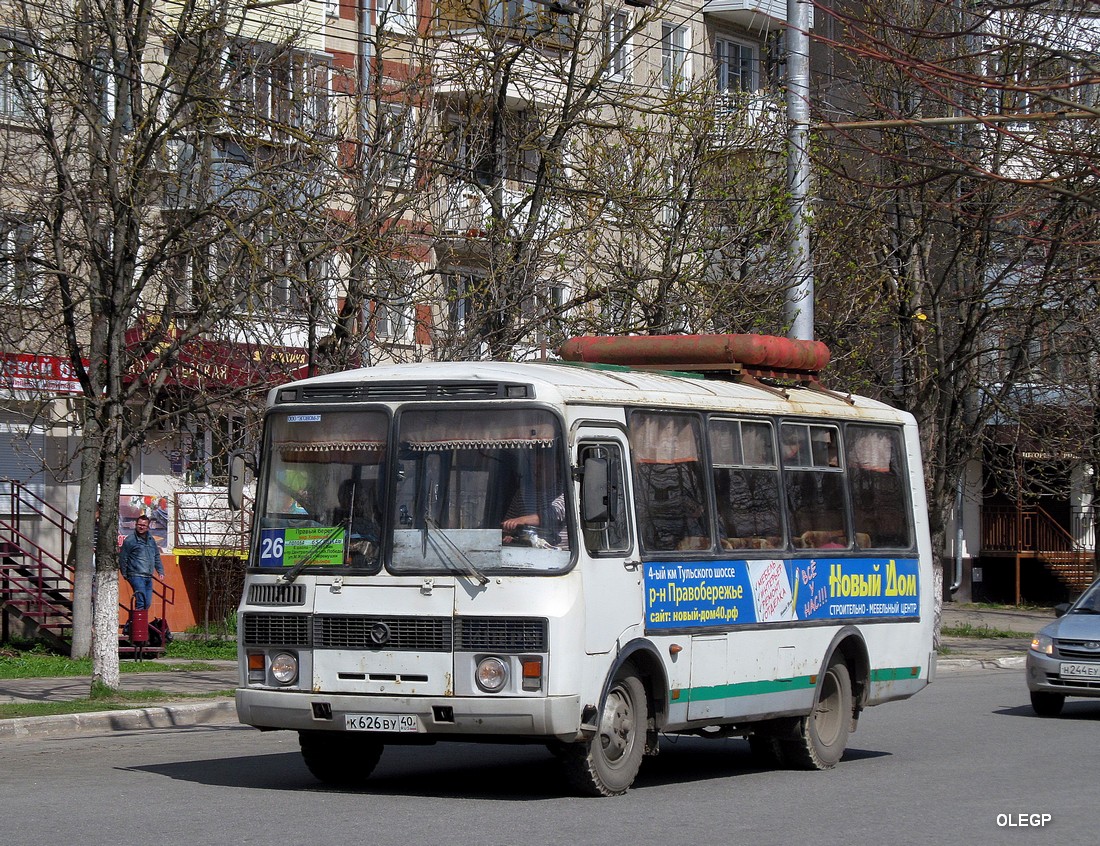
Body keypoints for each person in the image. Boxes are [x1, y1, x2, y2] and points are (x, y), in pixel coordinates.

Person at [119, 515, 164, 610]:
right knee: (141, 602)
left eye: (144, 525)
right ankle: (136, 625)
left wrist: (160, 571)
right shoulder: (130, 540)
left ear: (148, 527)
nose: (141, 527)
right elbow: (123, 557)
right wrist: (125, 574)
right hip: (136, 575)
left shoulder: (151, 540)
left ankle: (131, 624)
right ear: (136, 525)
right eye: (139, 524)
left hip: (148, 576)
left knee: (147, 604)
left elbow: (156, 556)